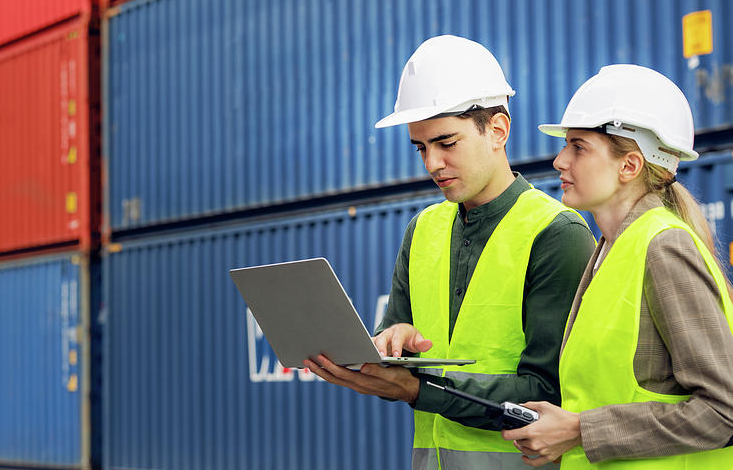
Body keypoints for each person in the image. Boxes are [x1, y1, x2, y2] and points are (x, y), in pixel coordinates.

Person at [304, 35, 595, 470]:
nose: (432, 164)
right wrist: (389, 346)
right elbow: (400, 361)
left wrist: (418, 389)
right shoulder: (421, 230)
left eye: (446, 143)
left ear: (498, 130)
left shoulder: (558, 233)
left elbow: (549, 393)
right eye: (421, 148)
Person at [501, 64, 733, 467]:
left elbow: (723, 412)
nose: (559, 161)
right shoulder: (610, 250)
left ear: (629, 166)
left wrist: (579, 430)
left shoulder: (664, 247)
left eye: (578, 147)